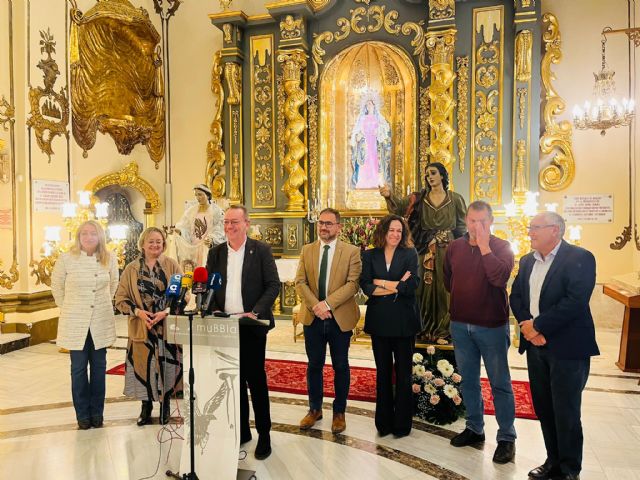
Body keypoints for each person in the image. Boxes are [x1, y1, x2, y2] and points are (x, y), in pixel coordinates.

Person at [510, 212, 599, 480]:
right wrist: (528, 326)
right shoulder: (526, 261)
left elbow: (575, 301)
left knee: (566, 411)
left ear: (556, 231)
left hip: (568, 348)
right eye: (530, 227)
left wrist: (539, 327)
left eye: (536, 227)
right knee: (544, 407)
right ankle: (553, 461)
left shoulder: (580, 257)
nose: (530, 232)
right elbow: (516, 296)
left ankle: (570, 469)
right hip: (537, 348)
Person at [443, 201, 516, 464]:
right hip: (461, 326)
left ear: (491, 221)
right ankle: (475, 428)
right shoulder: (454, 248)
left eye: (482, 221)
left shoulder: (502, 247)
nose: (476, 226)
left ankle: (507, 437)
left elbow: (499, 278)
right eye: (472, 221)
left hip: (492, 327)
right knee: (469, 381)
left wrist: (484, 247)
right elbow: (447, 281)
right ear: (466, 220)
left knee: (500, 383)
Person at [205, 205, 280, 460]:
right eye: (226, 222)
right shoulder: (215, 253)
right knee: (232, 382)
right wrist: (213, 309)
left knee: (255, 382)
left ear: (246, 223)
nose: (229, 227)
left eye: (234, 222)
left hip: (252, 326)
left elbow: (272, 285)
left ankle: (264, 435)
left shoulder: (261, 250)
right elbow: (208, 287)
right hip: (224, 327)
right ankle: (242, 431)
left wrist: (255, 311)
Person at [380, 162, 466, 344]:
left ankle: (443, 331)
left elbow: (461, 226)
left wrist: (462, 251)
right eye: (427, 175)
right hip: (423, 248)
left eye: (433, 173)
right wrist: (388, 195)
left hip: (447, 250)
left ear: (442, 175)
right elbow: (399, 208)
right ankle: (424, 328)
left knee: (445, 291)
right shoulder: (419, 198)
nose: (430, 177)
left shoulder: (455, 199)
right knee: (422, 290)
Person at [295, 208, 362, 434]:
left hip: (339, 318)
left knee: (340, 365)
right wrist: (316, 305)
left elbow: (353, 284)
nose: (324, 227)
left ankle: (339, 412)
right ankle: (314, 409)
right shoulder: (307, 250)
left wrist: (328, 304)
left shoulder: (351, 251)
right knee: (314, 365)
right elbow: (300, 282)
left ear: (338, 227)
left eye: (329, 224)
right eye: (321, 223)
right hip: (313, 317)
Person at [51, 220, 119, 430]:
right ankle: (82, 415)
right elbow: (56, 286)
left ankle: (97, 414)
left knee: (99, 369)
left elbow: (114, 285)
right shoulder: (66, 259)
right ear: (78, 237)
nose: (88, 237)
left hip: (100, 319)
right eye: (84, 234)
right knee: (78, 369)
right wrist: (70, 307)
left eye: (93, 233)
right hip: (75, 321)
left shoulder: (110, 259)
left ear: (100, 237)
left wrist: (101, 304)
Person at [115, 227, 183, 426]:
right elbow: (120, 299)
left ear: (164, 244)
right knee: (144, 368)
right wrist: (138, 312)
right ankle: (146, 407)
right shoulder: (131, 269)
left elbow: (183, 295)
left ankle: (165, 406)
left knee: (166, 367)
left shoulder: (172, 265)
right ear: (142, 244)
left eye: (159, 242)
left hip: (166, 327)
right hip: (141, 328)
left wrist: (166, 312)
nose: (155, 245)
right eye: (151, 241)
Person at [359, 214, 420, 437]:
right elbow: (365, 284)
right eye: (391, 230)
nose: (395, 234)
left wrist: (381, 283)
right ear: (383, 231)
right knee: (383, 373)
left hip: (404, 321)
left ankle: (402, 425)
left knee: (404, 374)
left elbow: (413, 283)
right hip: (379, 321)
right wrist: (395, 285)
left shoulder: (409, 253)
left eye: (399, 231)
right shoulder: (370, 254)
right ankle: (383, 423)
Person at [171, 184, 225, 268]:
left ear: (207, 195)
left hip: (207, 246)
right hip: (193, 248)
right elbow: (185, 226)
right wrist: (180, 231)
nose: (198, 197)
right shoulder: (191, 211)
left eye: (200, 194)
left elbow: (220, 228)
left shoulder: (216, 211)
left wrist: (212, 238)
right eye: (196, 195)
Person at [350, 97, 392, 189]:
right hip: (365, 143)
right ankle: (363, 182)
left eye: (370, 104)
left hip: (374, 143)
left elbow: (386, 129)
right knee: (364, 161)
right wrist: (358, 135)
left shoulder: (378, 118)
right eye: (367, 104)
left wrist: (378, 131)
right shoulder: (362, 118)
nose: (368, 106)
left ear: (374, 105)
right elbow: (357, 131)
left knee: (374, 161)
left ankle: (375, 181)